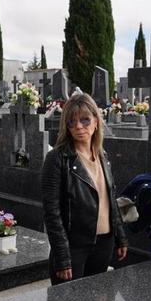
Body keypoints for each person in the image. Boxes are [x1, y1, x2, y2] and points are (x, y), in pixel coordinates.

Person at [41, 93, 128, 285]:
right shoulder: (57, 158)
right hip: (74, 247)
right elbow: (51, 213)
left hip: (104, 243)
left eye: (85, 120)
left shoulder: (101, 154)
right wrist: (62, 257)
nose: (79, 126)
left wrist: (120, 237)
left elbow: (110, 198)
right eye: (72, 122)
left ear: (96, 122)